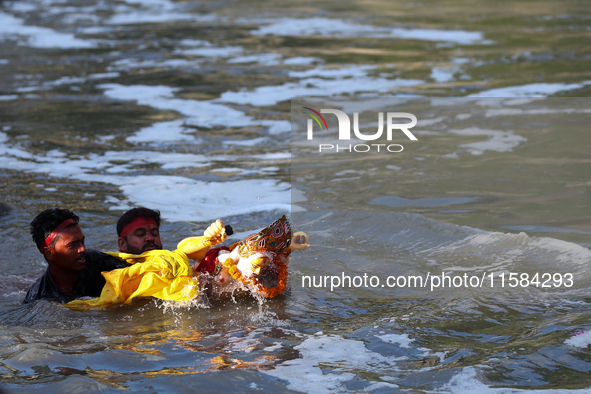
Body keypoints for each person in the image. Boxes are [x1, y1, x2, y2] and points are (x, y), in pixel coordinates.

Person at [23, 208, 130, 304]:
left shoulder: (95, 261)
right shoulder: (38, 298)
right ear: (49, 254)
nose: (83, 249)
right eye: (72, 245)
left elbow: (136, 274)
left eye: (82, 242)